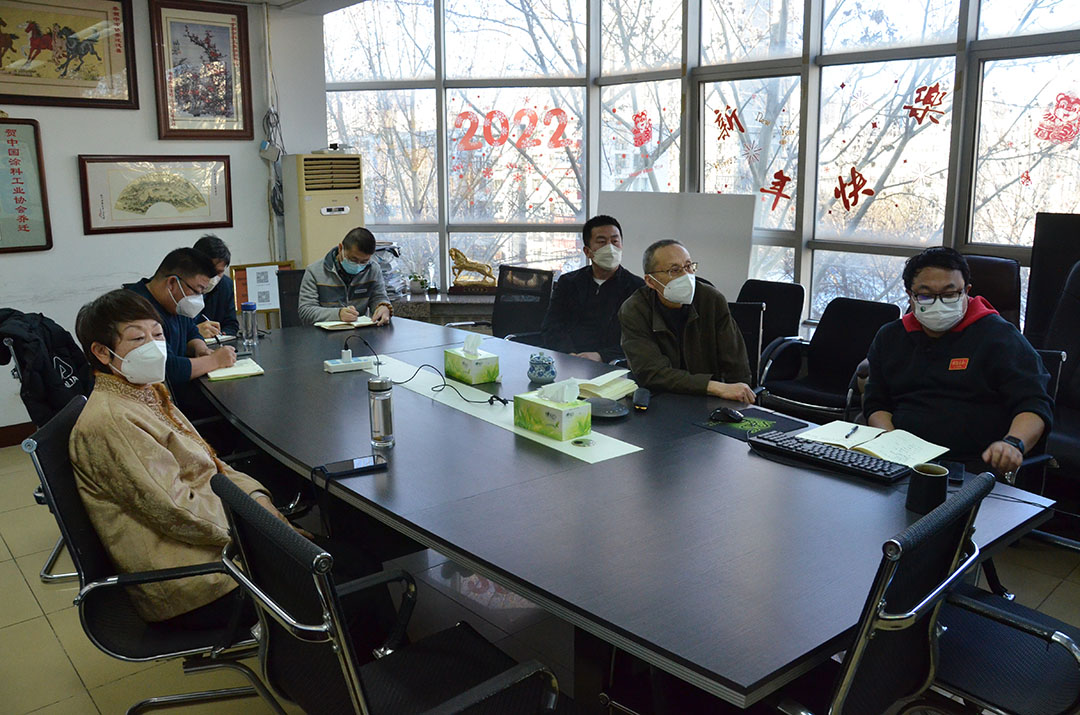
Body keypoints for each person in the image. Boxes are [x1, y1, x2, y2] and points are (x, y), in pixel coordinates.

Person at [70, 290, 396, 647]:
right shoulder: (112, 421)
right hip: (195, 579)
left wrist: (260, 501)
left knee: (359, 561)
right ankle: (360, 672)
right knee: (353, 585)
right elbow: (177, 511)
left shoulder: (143, 392)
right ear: (102, 352)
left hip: (215, 544)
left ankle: (377, 660)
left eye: (158, 334)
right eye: (137, 339)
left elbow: (211, 463)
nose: (154, 346)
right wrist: (268, 532)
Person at [864, 247, 1053, 476]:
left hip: (973, 466)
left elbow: (1034, 404)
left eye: (950, 294)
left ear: (966, 291)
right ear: (910, 295)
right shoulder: (890, 337)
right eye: (925, 295)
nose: (938, 304)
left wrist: (1013, 444)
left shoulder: (999, 337)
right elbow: (877, 403)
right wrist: (889, 442)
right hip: (901, 462)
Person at [619, 239, 755, 400]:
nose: (686, 275)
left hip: (709, 400)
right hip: (660, 397)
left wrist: (740, 398)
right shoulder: (635, 309)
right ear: (650, 281)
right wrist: (714, 387)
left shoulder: (711, 300)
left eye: (689, 266)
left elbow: (737, 366)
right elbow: (652, 373)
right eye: (674, 270)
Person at [123, 248, 236, 390]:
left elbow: (191, 331)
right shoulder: (136, 310)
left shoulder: (175, 303)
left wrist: (201, 349)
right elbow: (165, 368)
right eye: (197, 291)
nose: (198, 298)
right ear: (172, 283)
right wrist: (214, 361)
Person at [539, 215, 645, 361]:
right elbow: (552, 326)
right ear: (587, 251)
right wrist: (568, 353)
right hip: (568, 360)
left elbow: (639, 339)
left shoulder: (637, 288)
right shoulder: (568, 283)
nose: (610, 248)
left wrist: (601, 356)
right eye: (602, 242)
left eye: (615, 241)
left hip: (612, 364)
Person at [298, 227, 392, 326]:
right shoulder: (314, 272)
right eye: (353, 259)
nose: (358, 265)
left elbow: (378, 297)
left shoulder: (373, 269)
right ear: (340, 248)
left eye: (364, 261)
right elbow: (305, 311)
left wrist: (383, 307)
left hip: (360, 332)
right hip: (323, 333)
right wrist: (338, 314)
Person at [192, 234, 239, 339]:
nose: (213, 277)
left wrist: (220, 334)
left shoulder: (226, 285)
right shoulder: (181, 287)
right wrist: (194, 333)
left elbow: (231, 324)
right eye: (209, 270)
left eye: (219, 272)